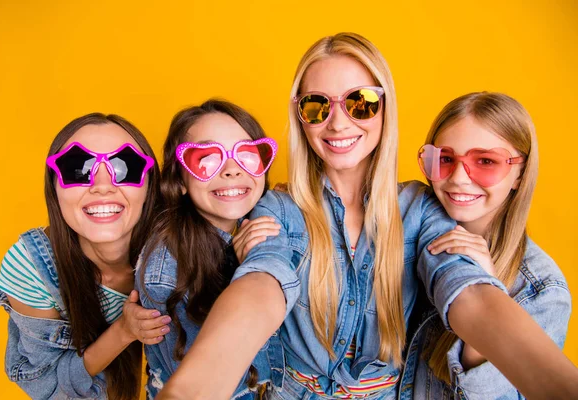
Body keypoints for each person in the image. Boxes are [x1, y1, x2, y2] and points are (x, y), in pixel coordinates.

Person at [156, 33, 578, 400]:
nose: (338, 123)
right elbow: (262, 285)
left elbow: (463, 287)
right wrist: (191, 390)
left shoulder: (420, 207)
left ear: (384, 108)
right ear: (300, 117)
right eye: (317, 105)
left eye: (361, 102)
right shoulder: (280, 207)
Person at [398, 92, 572, 399]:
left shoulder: (542, 292)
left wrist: (486, 298)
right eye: (446, 159)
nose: (459, 179)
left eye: (486, 161)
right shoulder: (408, 222)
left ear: (520, 172)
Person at [0, 113, 169, 399]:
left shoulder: (179, 245)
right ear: (54, 187)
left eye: (125, 167)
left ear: (149, 183)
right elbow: (49, 387)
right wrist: (123, 330)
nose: (102, 185)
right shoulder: (32, 266)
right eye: (77, 170)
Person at [135, 100, 284, 399]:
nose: (231, 169)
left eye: (246, 155)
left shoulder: (260, 220)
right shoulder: (164, 274)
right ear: (179, 181)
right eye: (206, 159)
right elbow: (212, 384)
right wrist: (245, 275)